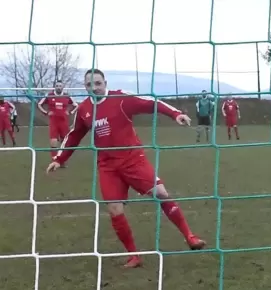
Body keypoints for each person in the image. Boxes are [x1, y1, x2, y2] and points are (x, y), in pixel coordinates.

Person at [47, 69, 206, 269]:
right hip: (107, 166)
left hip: (132, 160)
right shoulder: (84, 109)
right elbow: (75, 134)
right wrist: (60, 159)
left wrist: (175, 114)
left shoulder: (121, 99)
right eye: (89, 85)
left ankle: (190, 237)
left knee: (161, 194)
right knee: (114, 210)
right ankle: (134, 256)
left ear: (105, 82)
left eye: (97, 83)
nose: (94, 88)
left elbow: (151, 103)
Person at [38, 80, 77, 161]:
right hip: (54, 122)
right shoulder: (49, 95)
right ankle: (54, 160)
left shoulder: (67, 96)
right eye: (57, 86)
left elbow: (76, 105)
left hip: (64, 122)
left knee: (65, 142)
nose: (59, 87)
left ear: (62, 87)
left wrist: (70, 112)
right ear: (55, 87)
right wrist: (46, 112)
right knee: (53, 141)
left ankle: (62, 159)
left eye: (60, 86)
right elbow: (39, 104)